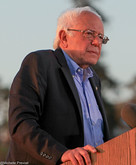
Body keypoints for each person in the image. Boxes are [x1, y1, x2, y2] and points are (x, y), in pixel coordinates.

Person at [6, 6, 110, 165]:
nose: (97, 42)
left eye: (101, 37)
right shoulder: (40, 63)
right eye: (89, 34)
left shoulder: (94, 80)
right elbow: (21, 124)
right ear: (64, 37)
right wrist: (61, 154)